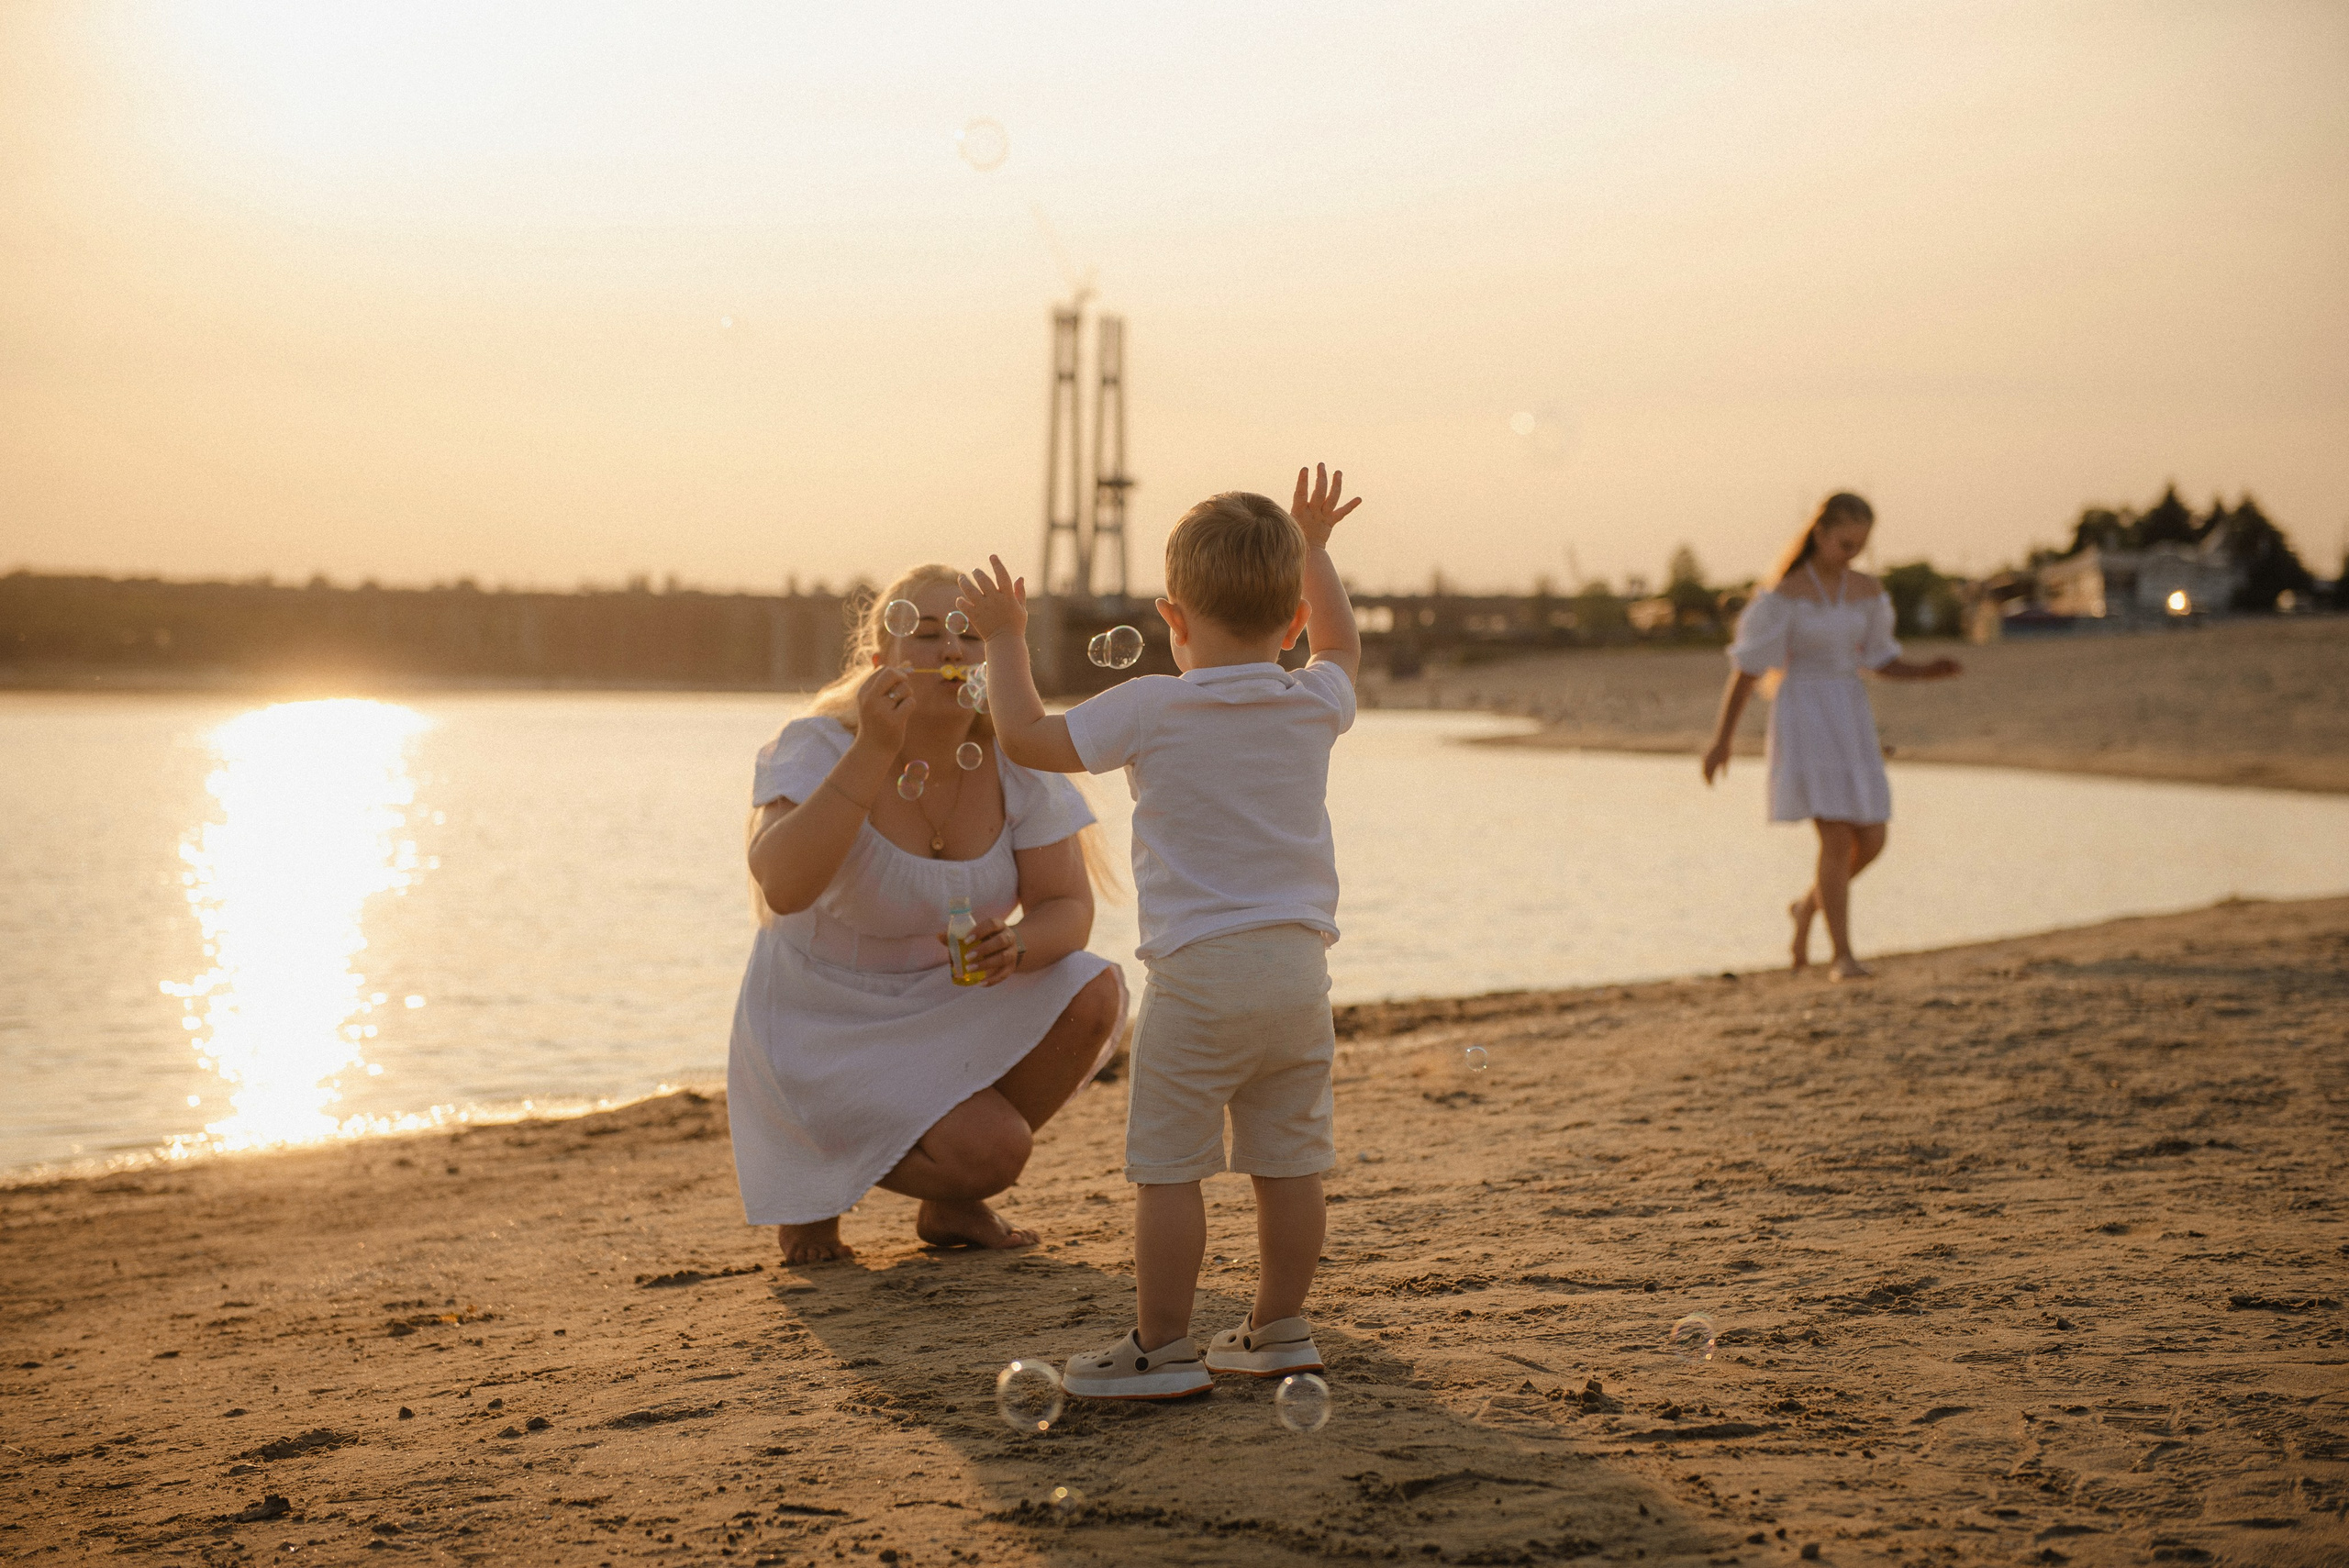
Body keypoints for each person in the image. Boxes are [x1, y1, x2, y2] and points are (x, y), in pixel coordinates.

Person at [961, 463, 1362, 1401]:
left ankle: (1163, 1344)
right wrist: (1318, 550)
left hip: (1197, 975)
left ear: (1170, 617)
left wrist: (1007, 637)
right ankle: (1278, 1326)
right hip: (1299, 971)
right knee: (1289, 1159)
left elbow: (1022, 736)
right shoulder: (1311, 701)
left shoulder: (1150, 703)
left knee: (1170, 1168)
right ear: (1292, 619)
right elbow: (1343, 641)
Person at [729, 565, 1125, 1265]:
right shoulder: (818, 745)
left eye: (973, 637)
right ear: (880, 661)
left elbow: (1068, 909)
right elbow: (783, 887)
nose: (951, 652)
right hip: (821, 1019)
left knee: (1094, 993)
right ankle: (816, 1184)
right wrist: (874, 751)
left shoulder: (1018, 757)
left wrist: (1017, 943)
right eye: (928, 634)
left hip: (943, 1002)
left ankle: (949, 1197)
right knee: (994, 1148)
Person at [1701, 493, 1962, 980]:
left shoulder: (1867, 591)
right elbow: (1747, 672)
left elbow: (1881, 659)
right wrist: (1722, 741)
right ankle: (1842, 956)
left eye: (1860, 546)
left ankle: (1806, 909)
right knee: (1837, 837)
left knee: (1874, 836)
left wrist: (1928, 671)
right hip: (1804, 714)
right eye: (1844, 542)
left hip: (1849, 713)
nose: (1851, 554)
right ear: (1819, 534)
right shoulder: (1783, 596)